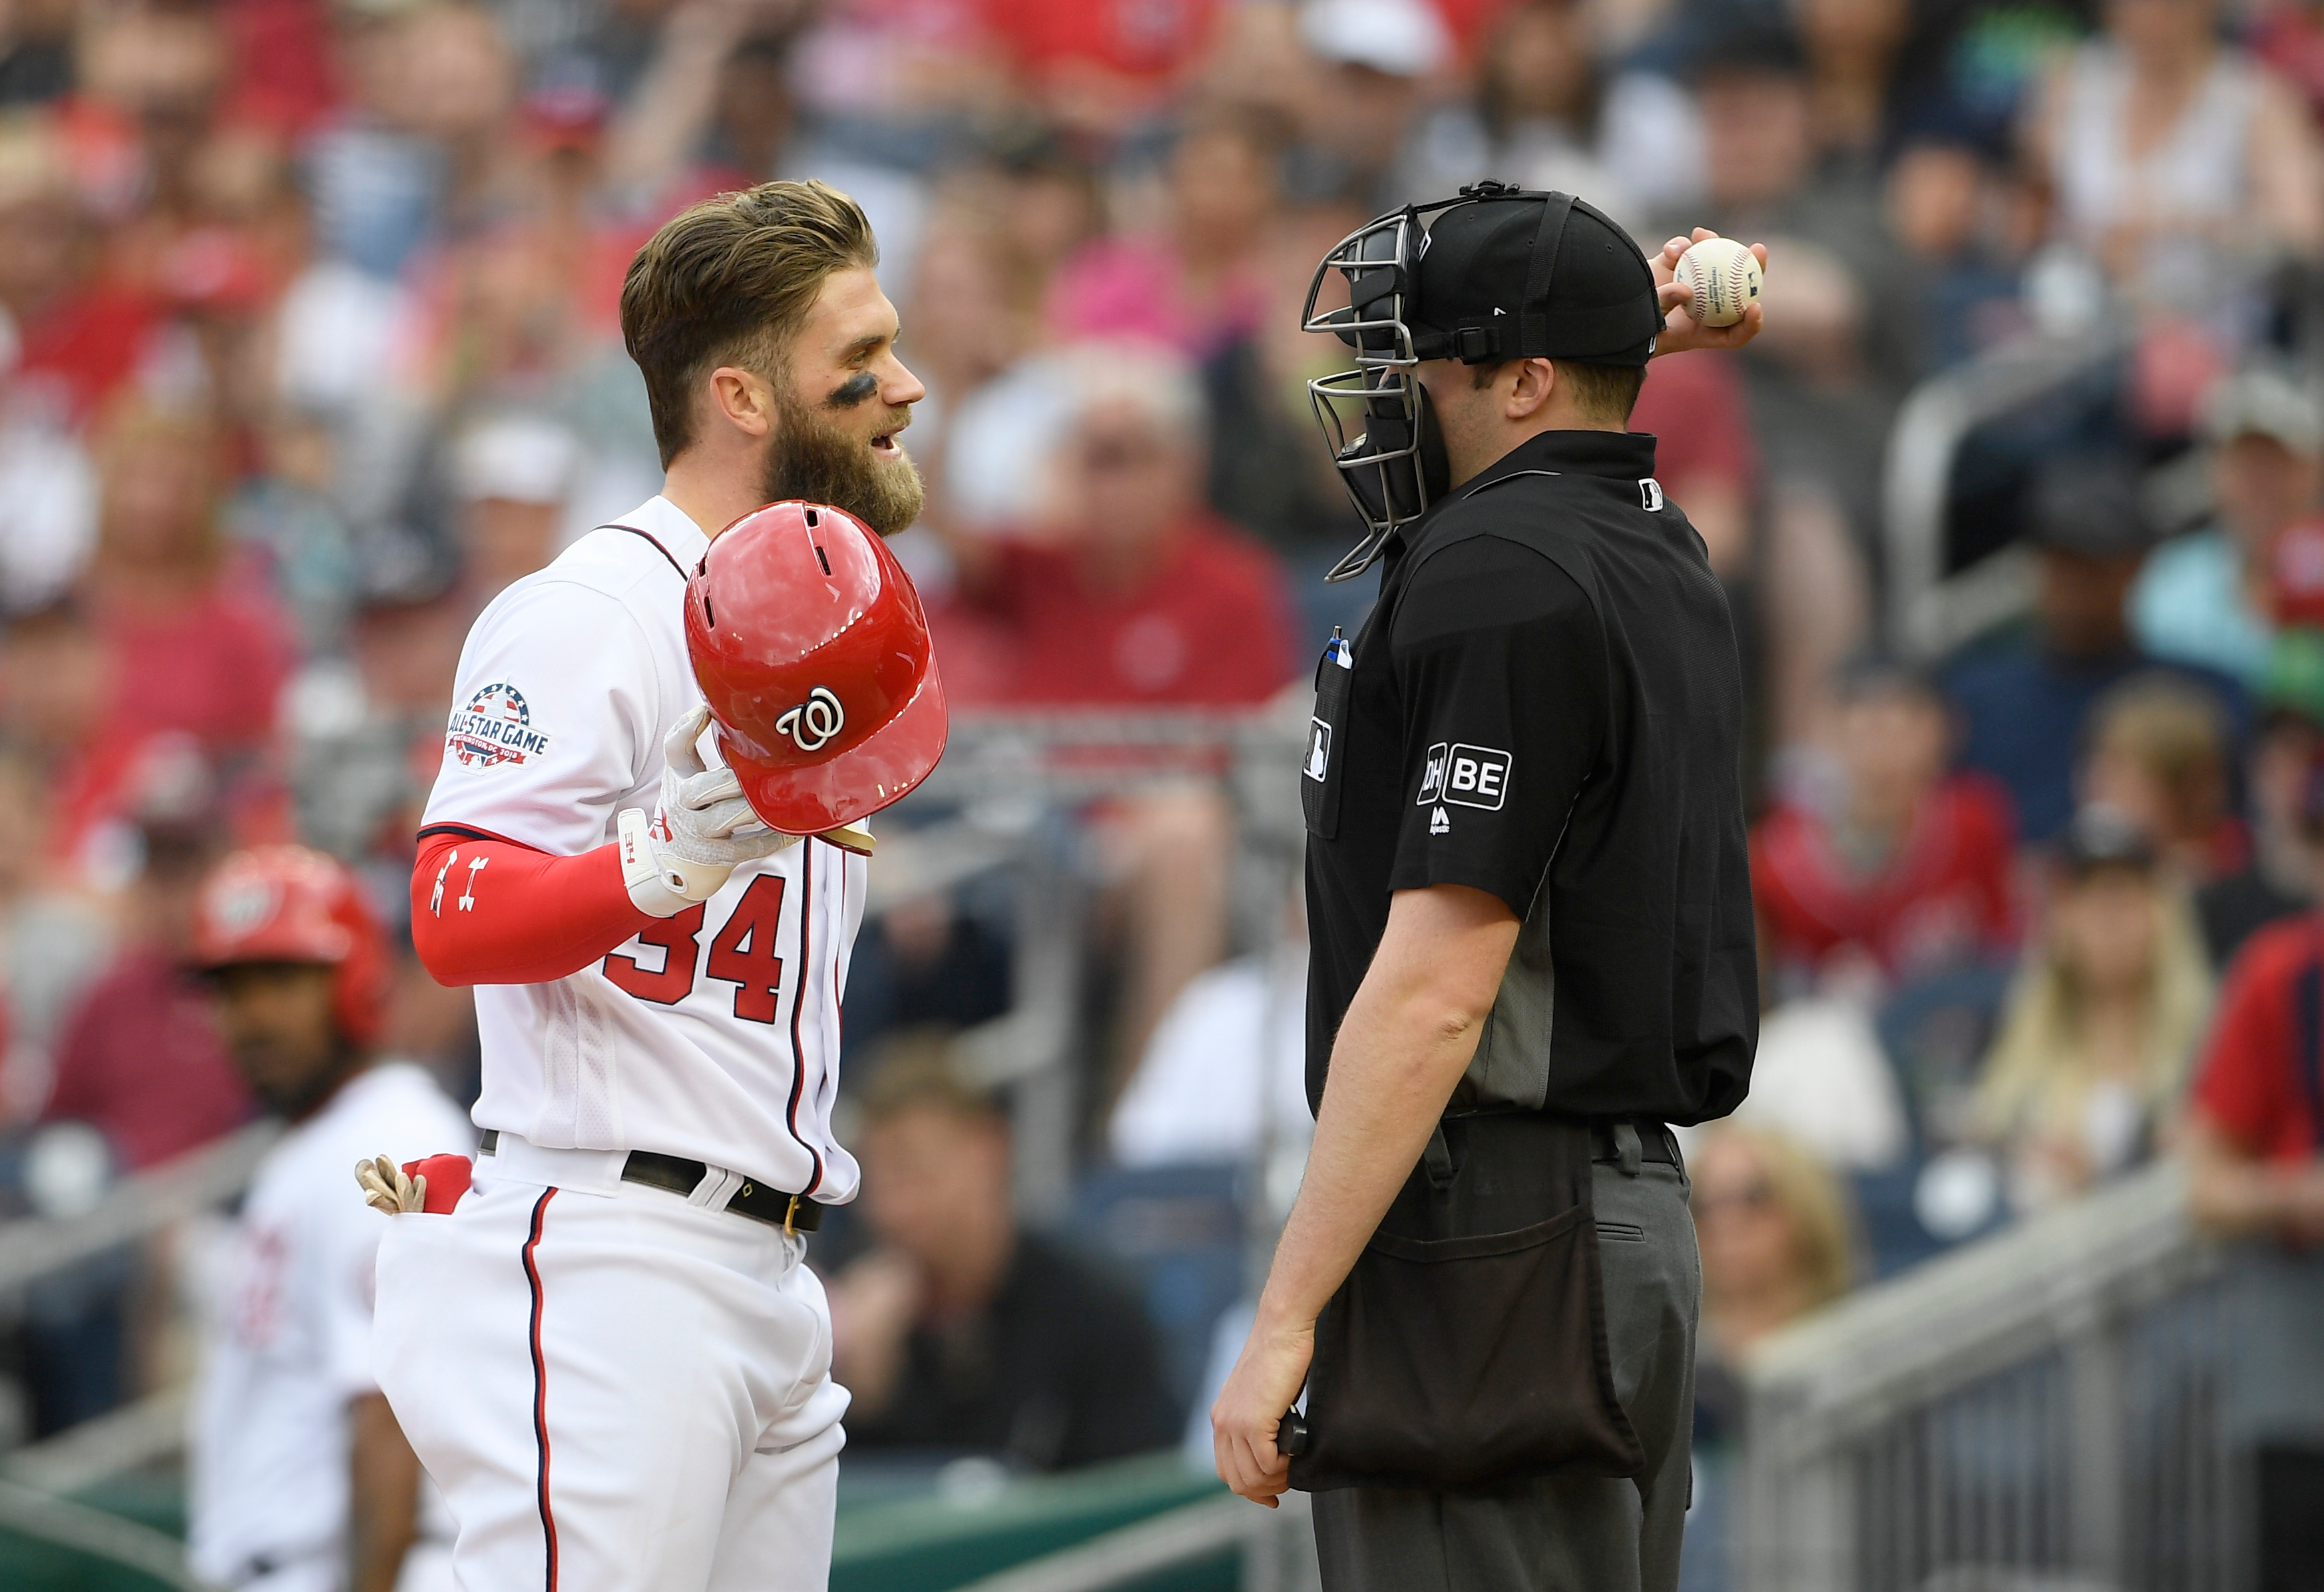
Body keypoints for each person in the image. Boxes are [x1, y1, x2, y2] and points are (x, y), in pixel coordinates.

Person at [368, 179, 938, 1591]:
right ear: (740, 396)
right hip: (618, 1259)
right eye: (860, 357)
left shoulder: (825, 608)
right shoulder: (592, 609)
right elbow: (452, 915)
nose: (905, 387)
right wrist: (658, 862)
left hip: (766, 1266)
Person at [1209, 188, 1763, 1592]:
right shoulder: (1647, 540)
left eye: (1423, 362)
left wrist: (1285, 1313)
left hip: (1494, 1242)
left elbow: (1437, 993)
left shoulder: (1499, 569)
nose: (1390, 393)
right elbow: (1569, 437)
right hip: (1600, 1226)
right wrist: (1617, 329)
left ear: (1521, 380)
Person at [185, 845, 473, 1592]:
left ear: (357, 982)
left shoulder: (388, 1140)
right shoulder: (318, 1142)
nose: (251, 1017)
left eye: (281, 981)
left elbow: (391, 1418)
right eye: (231, 989)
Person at [827, 1047, 1180, 1468]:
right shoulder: (842, 1316)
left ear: (989, 1149)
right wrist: (853, 1392)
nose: (893, 1209)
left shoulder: (1095, 1318)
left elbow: (1137, 1491)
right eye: (875, 1180)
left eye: (914, 1171)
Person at [1944, 456, 2245, 846]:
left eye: (2092, 563)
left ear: (2137, 564)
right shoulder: (1973, 699)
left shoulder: (2207, 695)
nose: (2074, 582)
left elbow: (2231, 841)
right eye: (2059, 559)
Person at [1971, 808, 2212, 1213]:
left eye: (2124, 897)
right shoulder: (2024, 1043)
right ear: (2061, 917)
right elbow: (1986, 1133)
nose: (2108, 919)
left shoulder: (2208, 1040)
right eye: (2089, 898)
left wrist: (2107, 1175)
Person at [1751, 661, 2017, 987]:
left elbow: (2005, 941)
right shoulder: (1775, 857)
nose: (1881, 754)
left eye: (1899, 731)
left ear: (1939, 733)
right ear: (1824, 735)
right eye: (1863, 732)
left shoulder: (1974, 821)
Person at [2132, 368, 2324, 686]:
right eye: (2245, 463)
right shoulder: (2169, 585)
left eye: (2279, 463)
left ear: (2315, 471)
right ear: (2214, 471)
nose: (2262, 484)